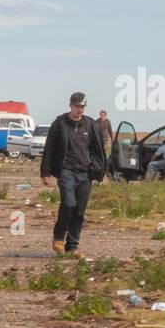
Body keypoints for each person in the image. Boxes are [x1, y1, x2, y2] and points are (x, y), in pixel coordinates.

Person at [40, 91, 107, 255]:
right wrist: (45, 172)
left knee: (79, 211)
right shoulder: (60, 124)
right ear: (70, 105)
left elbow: (99, 151)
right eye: (77, 106)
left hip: (84, 174)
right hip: (66, 171)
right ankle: (58, 238)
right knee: (68, 204)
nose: (80, 110)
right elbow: (49, 148)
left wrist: (98, 170)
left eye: (82, 107)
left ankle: (72, 247)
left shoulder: (91, 125)